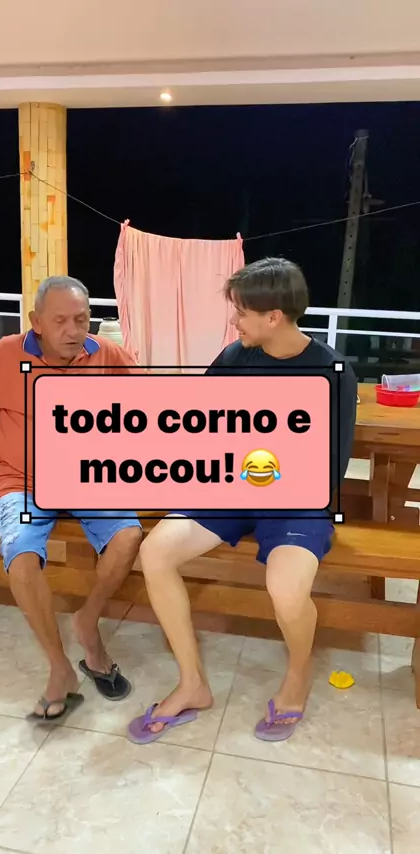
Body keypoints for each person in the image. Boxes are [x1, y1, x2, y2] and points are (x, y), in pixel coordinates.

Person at [128, 257, 357, 745]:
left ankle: (297, 678)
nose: (235, 321)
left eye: (242, 313)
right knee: (155, 550)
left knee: (287, 590)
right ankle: (192, 683)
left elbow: (330, 468)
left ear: (273, 316)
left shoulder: (332, 371)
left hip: (298, 499)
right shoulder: (235, 357)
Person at [0, 276, 143, 723]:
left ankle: (87, 622)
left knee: (128, 536)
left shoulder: (107, 355)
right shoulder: (6, 354)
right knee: (21, 556)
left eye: (81, 320)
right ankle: (60, 668)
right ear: (36, 322)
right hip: (21, 481)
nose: (73, 331)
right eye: (60, 321)